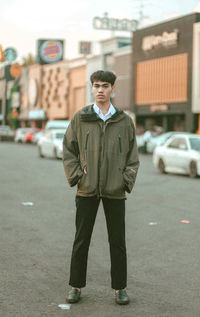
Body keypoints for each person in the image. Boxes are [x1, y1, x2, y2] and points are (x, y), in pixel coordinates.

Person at [62, 70, 139, 305]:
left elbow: (132, 157)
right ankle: (75, 286)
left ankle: (120, 289)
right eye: (96, 86)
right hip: (86, 190)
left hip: (115, 191)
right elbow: (68, 150)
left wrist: (124, 181)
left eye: (105, 86)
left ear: (112, 89)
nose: (100, 90)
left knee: (117, 242)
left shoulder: (124, 121)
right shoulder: (81, 118)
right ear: (91, 88)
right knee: (81, 239)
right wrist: (77, 176)